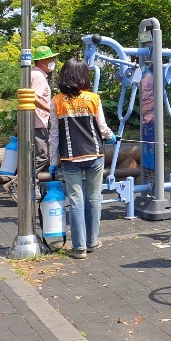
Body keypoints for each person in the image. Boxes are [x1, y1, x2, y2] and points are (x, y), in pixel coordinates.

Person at [48, 58, 117, 260]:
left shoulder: (57, 101)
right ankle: (93, 241)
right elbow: (103, 129)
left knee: (76, 201)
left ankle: (79, 248)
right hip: (94, 154)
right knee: (94, 197)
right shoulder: (93, 99)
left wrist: (53, 162)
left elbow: (54, 134)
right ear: (84, 76)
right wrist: (111, 136)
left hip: (70, 157)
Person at [30, 45, 58, 178]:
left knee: (34, 155)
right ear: (42, 61)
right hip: (37, 122)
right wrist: (51, 110)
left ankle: (27, 183)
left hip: (33, 121)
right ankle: (20, 182)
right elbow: (33, 98)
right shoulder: (39, 76)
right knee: (43, 155)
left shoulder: (33, 73)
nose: (52, 61)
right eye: (50, 59)